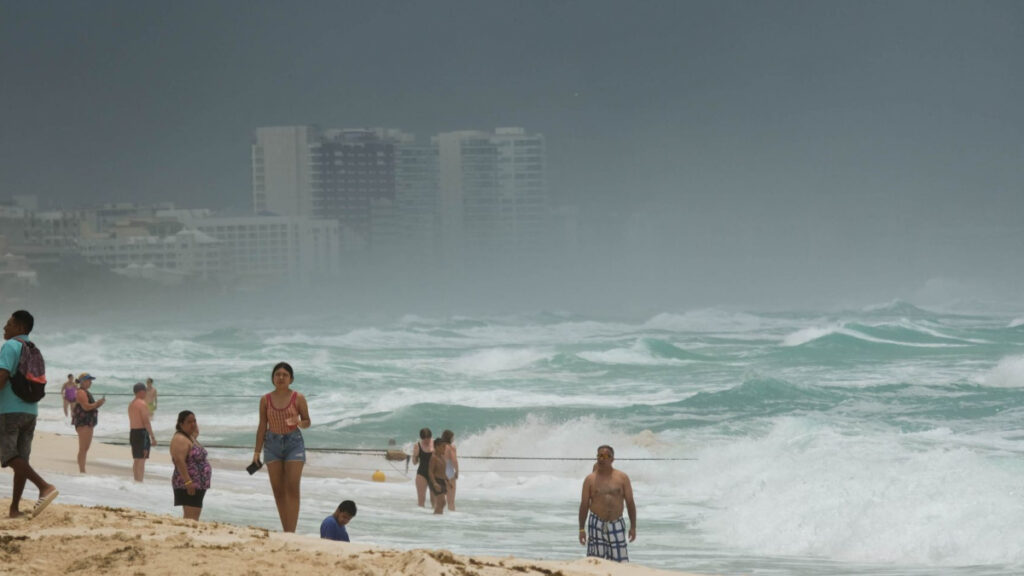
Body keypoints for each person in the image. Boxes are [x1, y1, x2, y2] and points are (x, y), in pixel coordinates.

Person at [0, 310, 59, 518]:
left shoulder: (10, 346)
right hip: (30, 411)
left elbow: (2, 377)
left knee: (8, 454)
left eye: (9, 323)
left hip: (9, 410)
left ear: (20, 327)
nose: (5, 327)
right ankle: (14, 509)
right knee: (21, 460)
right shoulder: (33, 349)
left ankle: (44, 486)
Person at [252, 362, 310, 532]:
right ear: (273, 378)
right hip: (272, 444)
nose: (281, 377)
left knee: (292, 487)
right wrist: (256, 452)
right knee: (278, 490)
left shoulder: (298, 398)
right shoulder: (265, 399)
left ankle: (291, 532)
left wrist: (298, 422)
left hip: (294, 442)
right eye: (277, 374)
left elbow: (307, 421)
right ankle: (286, 530)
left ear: (291, 379)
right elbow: (262, 425)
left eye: (285, 375)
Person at [578, 445, 636, 562]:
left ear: (612, 459)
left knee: (620, 560)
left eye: (605, 456)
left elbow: (630, 502)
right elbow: (584, 505)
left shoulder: (622, 478)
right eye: (599, 455)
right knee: (595, 561)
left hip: (617, 522)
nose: (601, 459)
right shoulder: (590, 479)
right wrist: (581, 529)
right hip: (596, 523)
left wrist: (633, 527)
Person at [169, 410, 211, 520]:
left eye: (194, 421)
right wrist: (188, 482)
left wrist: (193, 422)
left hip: (197, 484)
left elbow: (196, 431)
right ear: (181, 424)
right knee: (191, 517)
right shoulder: (180, 439)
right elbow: (179, 461)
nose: (193, 424)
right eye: (189, 422)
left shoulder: (190, 436)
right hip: (188, 483)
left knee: (194, 515)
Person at [71, 372, 105, 473]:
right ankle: (82, 470)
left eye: (90, 381)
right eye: (89, 380)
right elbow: (86, 406)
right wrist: (97, 403)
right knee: (83, 448)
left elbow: (89, 406)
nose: (90, 382)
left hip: (88, 422)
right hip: (83, 422)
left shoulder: (85, 392)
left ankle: (82, 469)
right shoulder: (81, 392)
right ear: (83, 381)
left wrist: (98, 404)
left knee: (85, 448)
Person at [128, 382, 157, 482]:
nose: (145, 394)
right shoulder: (142, 404)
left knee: (136, 459)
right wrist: (152, 437)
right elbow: (146, 422)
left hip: (133, 432)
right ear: (141, 392)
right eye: (145, 391)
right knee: (141, 460)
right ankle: (139, 481)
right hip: (142, 434)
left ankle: (136, 481)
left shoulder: (131, 404)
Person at [411, 427, 434, 507]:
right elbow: (414, 462)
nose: (427, 440)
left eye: (428, 438)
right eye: (425, 439)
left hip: (434, 474)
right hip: (422, 473)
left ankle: (436, 518)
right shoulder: (417, 445)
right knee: (421, 501)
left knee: (434, 501)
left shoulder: (435, 444)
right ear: (421, 438)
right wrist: (415, 455)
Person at [428, 438, 449, 515]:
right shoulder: (434, 458)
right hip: (436, 481)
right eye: (443, 446)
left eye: (445, 447)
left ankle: (438, 518)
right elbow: (430, 471)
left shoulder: (442, 457)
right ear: (437, 447)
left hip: (442, 481)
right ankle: (436, 518)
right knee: (441, 501)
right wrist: (434, 483)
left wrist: (447, 480)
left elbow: (443, 471)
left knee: (443, 503)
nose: (445, 448)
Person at [440, 429, 459, 511]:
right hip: (449, 474)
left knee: (440, 501)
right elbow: (454, 460)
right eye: (453, 437)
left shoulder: (438, 447)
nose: (453, 439)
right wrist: (457, 471)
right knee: (451, 502)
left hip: (439, 473)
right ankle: (451, 521)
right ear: (450, 438)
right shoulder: (451, 447)